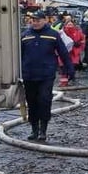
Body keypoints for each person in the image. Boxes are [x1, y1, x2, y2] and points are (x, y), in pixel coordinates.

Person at [20, 8, 74, 141]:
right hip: (29, 75)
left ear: (45, 20)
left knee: (44, 101)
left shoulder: (53, 35)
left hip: (46, 75)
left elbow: (63, 52)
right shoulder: (25, 35)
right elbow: (18, 55)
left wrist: (69, 68)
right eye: (33, 20)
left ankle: (43, 130)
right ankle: (34, 130)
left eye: (38, 20)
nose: (35, 23)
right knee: (32, 102)